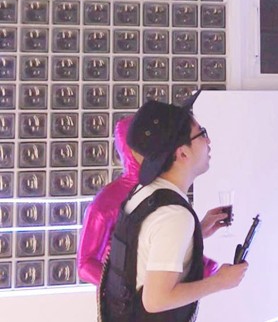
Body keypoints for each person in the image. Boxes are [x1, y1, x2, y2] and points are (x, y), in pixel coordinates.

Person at [98, 93, 248, 321]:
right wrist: (220, 281)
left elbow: (143, 249)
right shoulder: (174, 216)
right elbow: (156, 300)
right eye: (202, 133)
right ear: (182, 153)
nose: (208, 141)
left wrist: (197, 233)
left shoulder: (143, 192)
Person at [78, 116, 221, 285]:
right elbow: (85, 265)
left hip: (171, 289)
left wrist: (198, 232)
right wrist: (128, 288)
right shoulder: (108, 200)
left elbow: (155, 242)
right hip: (146, 297)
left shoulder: (164, 184)